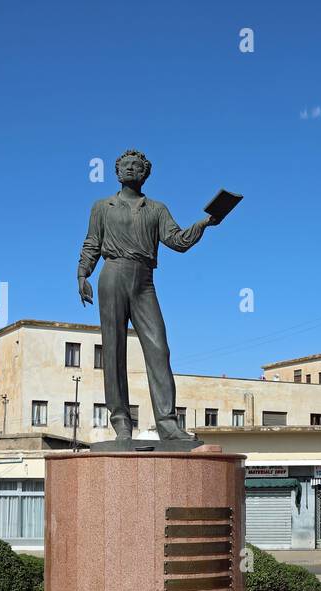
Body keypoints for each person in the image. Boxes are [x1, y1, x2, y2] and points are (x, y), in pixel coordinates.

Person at [77, 149, 218, 442]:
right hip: (112, 274)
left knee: (159, 348)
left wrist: (203, 224)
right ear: (117, 172)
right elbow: (92, 242)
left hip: (144, 280)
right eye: (126, 165)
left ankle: (166, 423)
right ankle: (122, 423)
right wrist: (83, 273)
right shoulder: (102, 206)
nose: (131, 169)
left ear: (146, 174)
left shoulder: (156, 209)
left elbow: (177, 241)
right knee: (114, 350)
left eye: (137, 166)